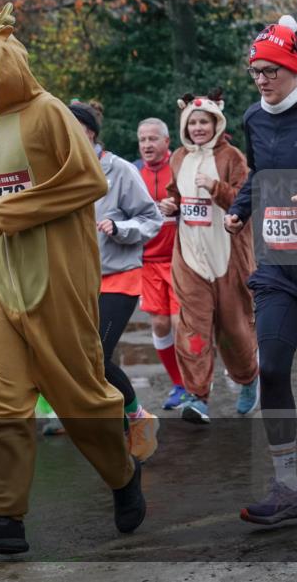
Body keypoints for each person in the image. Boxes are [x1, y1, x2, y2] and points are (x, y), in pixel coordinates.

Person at [0, 4, 144, 555]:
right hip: (1, 281)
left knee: (79, 398)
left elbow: (87, 180)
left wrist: (5, 214)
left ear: (8, 63)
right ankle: (5, 517)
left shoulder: (49, 112)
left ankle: (124, 475)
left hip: (57, 279)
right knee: (2, 401)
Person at [225, 14, 297, 524]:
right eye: (255, 71)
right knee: (274, 368)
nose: (261, 79)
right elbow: (261, 172)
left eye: (270, 70)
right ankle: (286, 489)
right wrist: (241, 207)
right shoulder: (254, 117)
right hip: (281, 266)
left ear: (292, 66)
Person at [70, 101, 163, 462]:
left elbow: (150, 218)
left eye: (70, 126)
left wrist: (120, 228)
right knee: (78, 359)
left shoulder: (119, 169)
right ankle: (119, 424)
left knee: (95, 357)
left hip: (118, 277)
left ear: (89, 131)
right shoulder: (61, 171)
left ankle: (140, 420)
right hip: (77, 281)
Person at [158, 90, 259, 425]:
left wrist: (216, 187)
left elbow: (246, 201)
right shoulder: (177, 157)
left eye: (204, 121)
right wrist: (170, 204)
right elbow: (175, 193)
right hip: (190, 256)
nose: (198, 128)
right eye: (193, 122)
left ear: (216, 123)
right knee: (193, 328)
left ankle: (248, 378)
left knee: (234, 329)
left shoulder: (232, 156)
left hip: (228, 258)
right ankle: (198, 396)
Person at [135, 117, 189, 409]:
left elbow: (197, 202)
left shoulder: (180, 166)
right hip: (147, 261)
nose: (147, 145)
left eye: (152, 139)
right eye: (142, 140)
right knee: (159, 323)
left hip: (180, 259)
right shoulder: (133, 173)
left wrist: (177, 206)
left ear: (167, 141)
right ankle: (178, 384)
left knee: (180, 324)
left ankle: (195, 383)